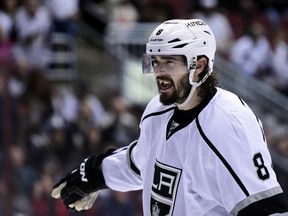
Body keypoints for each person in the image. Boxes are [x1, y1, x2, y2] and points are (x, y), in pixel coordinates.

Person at [51, 19, 288, 215]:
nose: (159, 72)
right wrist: (94, 174)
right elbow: (142, 164)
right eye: (155, 62)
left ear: (200, 66)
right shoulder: (158, 110)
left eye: (170, 62)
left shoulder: (229, 125)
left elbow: (266, 209)